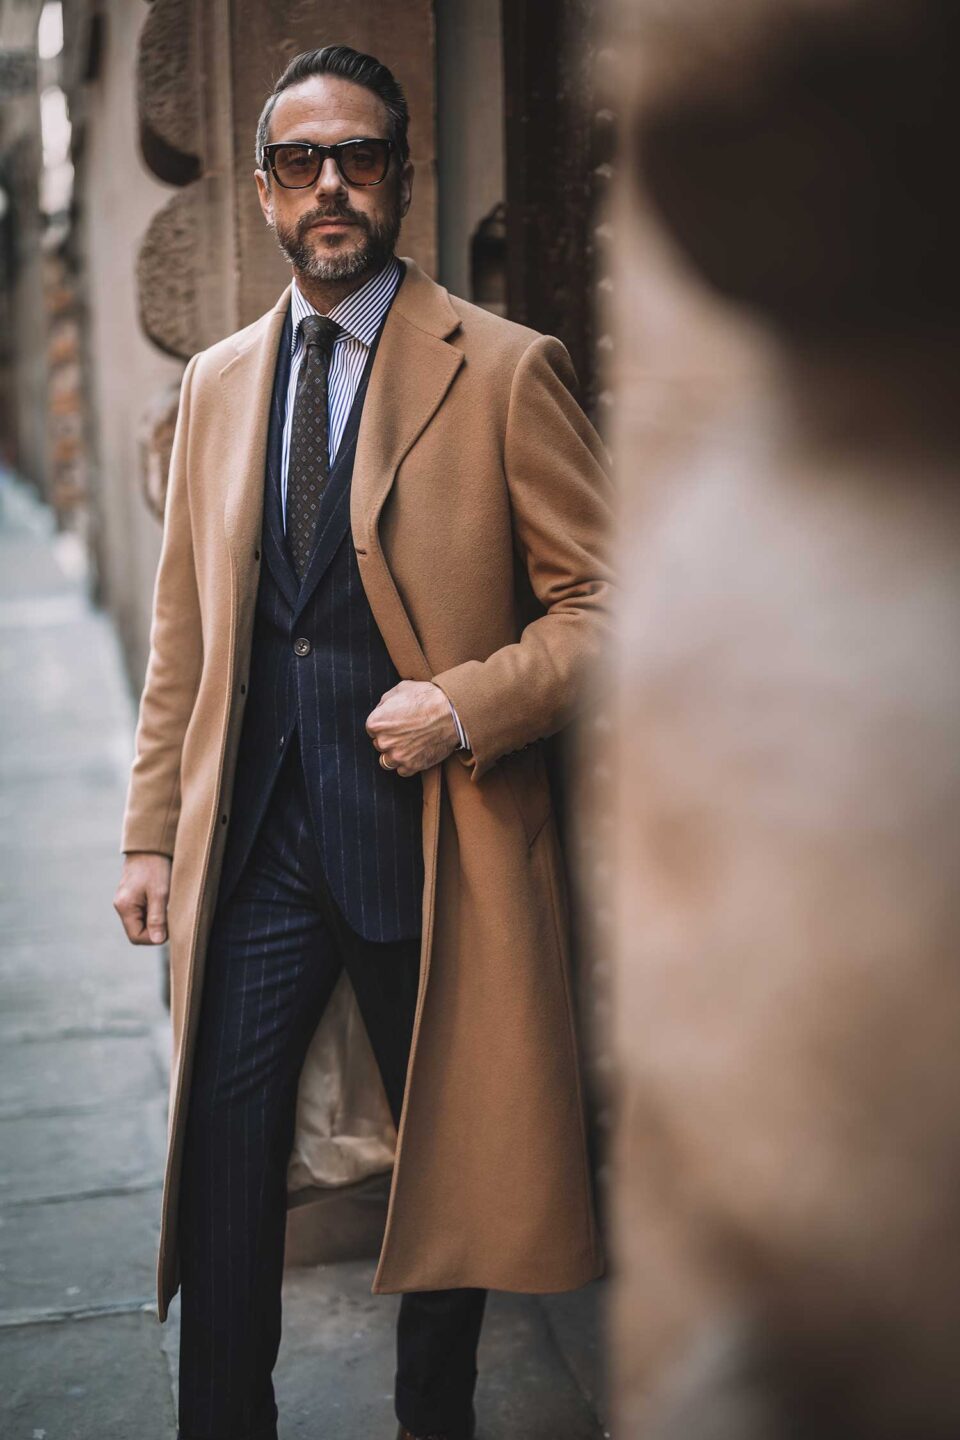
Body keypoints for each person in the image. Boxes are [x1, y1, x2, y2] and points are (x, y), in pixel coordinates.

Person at [113, 43, 611, 1440]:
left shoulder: (507, 371)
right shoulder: (217, 382)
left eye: (358, 157)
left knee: (451, 1161)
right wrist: (153, 834)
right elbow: (185, 638)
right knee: (225, 1151)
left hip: (430, 843)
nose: (328, 185)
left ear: (400, 175)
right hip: (259, 843)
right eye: (298, 160)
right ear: (267, 191)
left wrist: (469, 703)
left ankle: (432, 1418)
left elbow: (607, 603)